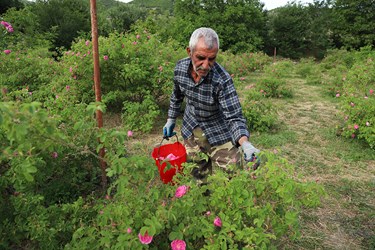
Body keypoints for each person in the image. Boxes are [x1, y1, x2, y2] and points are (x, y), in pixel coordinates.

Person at [163, 27, 260, 182]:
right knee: (197, 170)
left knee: (231, 173)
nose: (206, 65)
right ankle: (202, 199)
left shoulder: (222, 80)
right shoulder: (180, 68)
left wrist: (245, 143)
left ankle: (224, 202)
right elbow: (177, 95)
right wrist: (171, 119)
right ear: (189, 51)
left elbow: (234, 117)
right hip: (191, 126)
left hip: (217, 129)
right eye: (200, 57)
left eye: (212, 59)